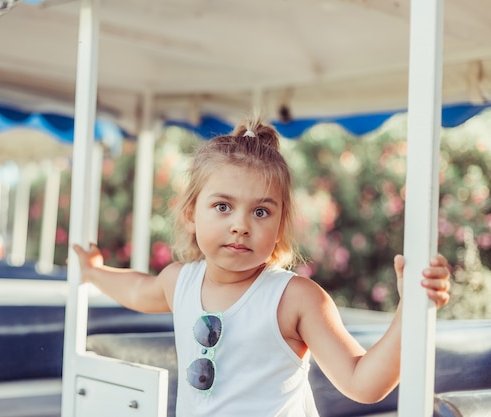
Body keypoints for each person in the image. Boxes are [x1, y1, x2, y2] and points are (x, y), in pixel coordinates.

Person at [73, 115, 451, 417]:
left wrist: (410, 309)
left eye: (260, 211)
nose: (241, 224)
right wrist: (93, 271)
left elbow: (362, 382)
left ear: (280, 222)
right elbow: (138, 290)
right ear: (190, 213)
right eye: (223, 206)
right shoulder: (180, 280)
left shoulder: (295, 299)